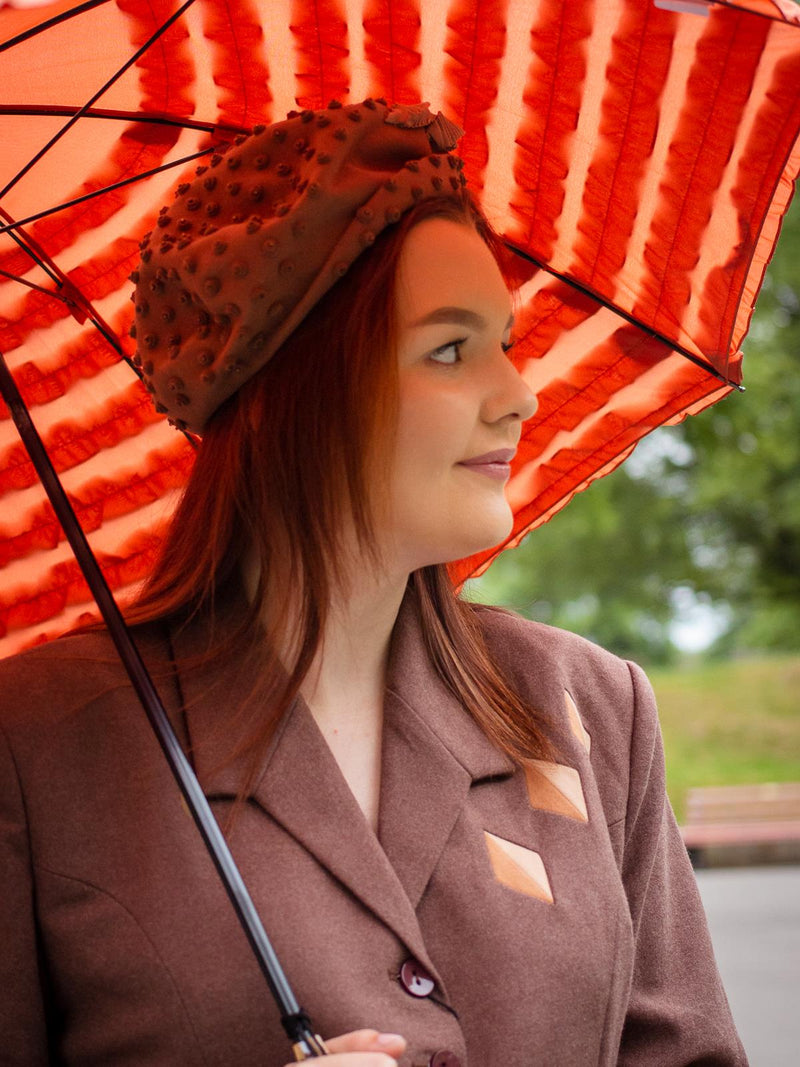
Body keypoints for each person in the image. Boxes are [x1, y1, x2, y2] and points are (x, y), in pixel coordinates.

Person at [0, 99, 746, 1066]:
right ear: (280, 395)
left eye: (504, 340)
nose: (517, 393)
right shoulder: (44, 741)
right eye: (449, 349)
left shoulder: (589, 706)